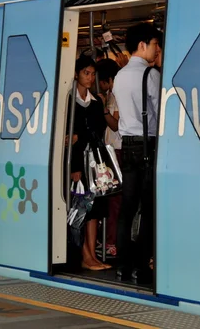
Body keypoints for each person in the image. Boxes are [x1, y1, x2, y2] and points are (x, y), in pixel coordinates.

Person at [112, 23, 162, 283]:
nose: (157, 50)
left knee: (127, 207)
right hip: (147, 144)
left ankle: (122, 264)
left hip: (126, 145)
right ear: (142, 45)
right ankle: (142, 266)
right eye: (154, 44)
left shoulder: (120, 76)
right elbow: (160, 111)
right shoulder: (150, 75)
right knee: (148, 207)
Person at [65, 55, 111, 271]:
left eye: (93, 74)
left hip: (94, 161)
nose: (90, 77)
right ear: (76, 74)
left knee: (94, 209)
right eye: (86, 73)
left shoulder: (95, 101)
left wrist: (77, 137)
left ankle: (92, 254)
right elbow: (69, 138)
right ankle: (83, 255)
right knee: (81, 208)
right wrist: (74, 167)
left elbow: (96, 131)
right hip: (77, 161)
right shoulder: (68, 100)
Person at [95, 58, 122, 257]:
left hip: (117, 151)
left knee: (114, 200)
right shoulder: (114, 94)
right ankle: (108, 239)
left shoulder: (117, 96)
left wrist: (103, 108)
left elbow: (115, 125)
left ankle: (111, 242)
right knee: (109, 198)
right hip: (111, 150)